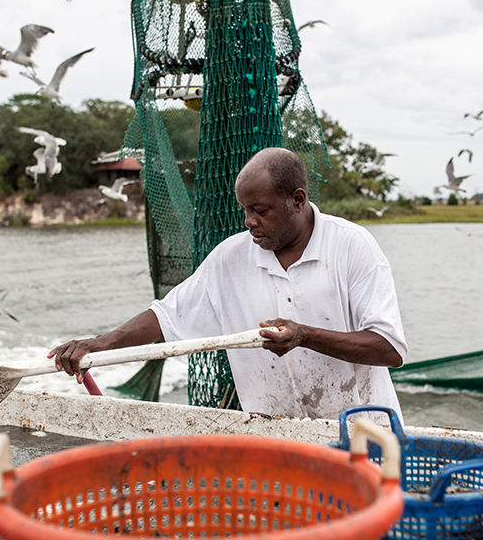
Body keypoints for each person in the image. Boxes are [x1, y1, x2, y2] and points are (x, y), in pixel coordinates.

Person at [49, 147, 407, 420]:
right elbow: (167, 316)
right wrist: (100, 344)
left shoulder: (351, 246)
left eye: (260, 210)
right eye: (244, 210)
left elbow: (388, 348)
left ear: (297, 200)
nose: (249, 221)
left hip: (361, 436)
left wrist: (305, 336)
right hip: (276, 443)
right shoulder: (230, 258)